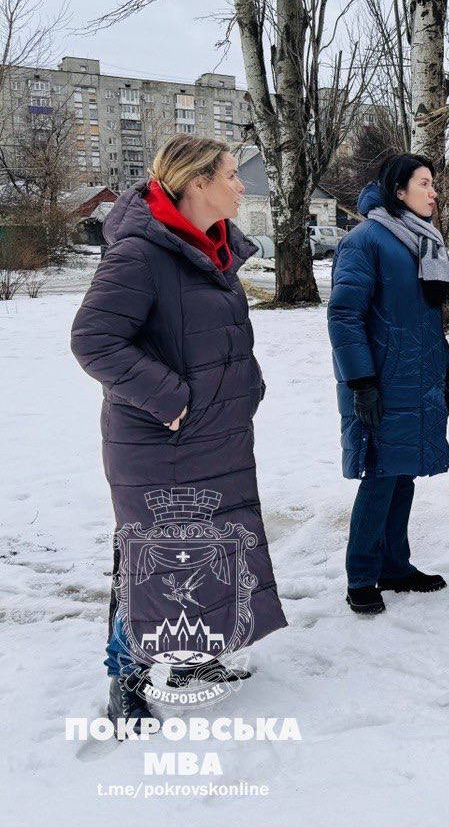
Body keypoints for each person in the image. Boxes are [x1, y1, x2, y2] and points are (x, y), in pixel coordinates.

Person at [71, 135, 286, 732]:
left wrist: (249, 386)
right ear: (196, 183)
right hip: (159, 443)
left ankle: (191, 661)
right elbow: (94, 341)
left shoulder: (211, 251)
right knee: (147, 559)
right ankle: (126, 680)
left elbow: (216, 338)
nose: (242, 185)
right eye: (230, 175)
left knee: (209, 554)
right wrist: (172, 400)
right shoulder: (140, 256)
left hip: (214, 438)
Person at [327, 155, 449, 615]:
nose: (433, 192)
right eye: (424, 184)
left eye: (433, 184)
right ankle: (361, 577)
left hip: (417, 377)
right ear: (398, 191)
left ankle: (396, 567)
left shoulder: (422, 241)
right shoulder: (365, 241)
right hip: (380, 380)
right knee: (380, 477)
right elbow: (344, 316)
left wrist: (446, 369)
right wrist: (361, 380)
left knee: (402, 475)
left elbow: (428, 319)